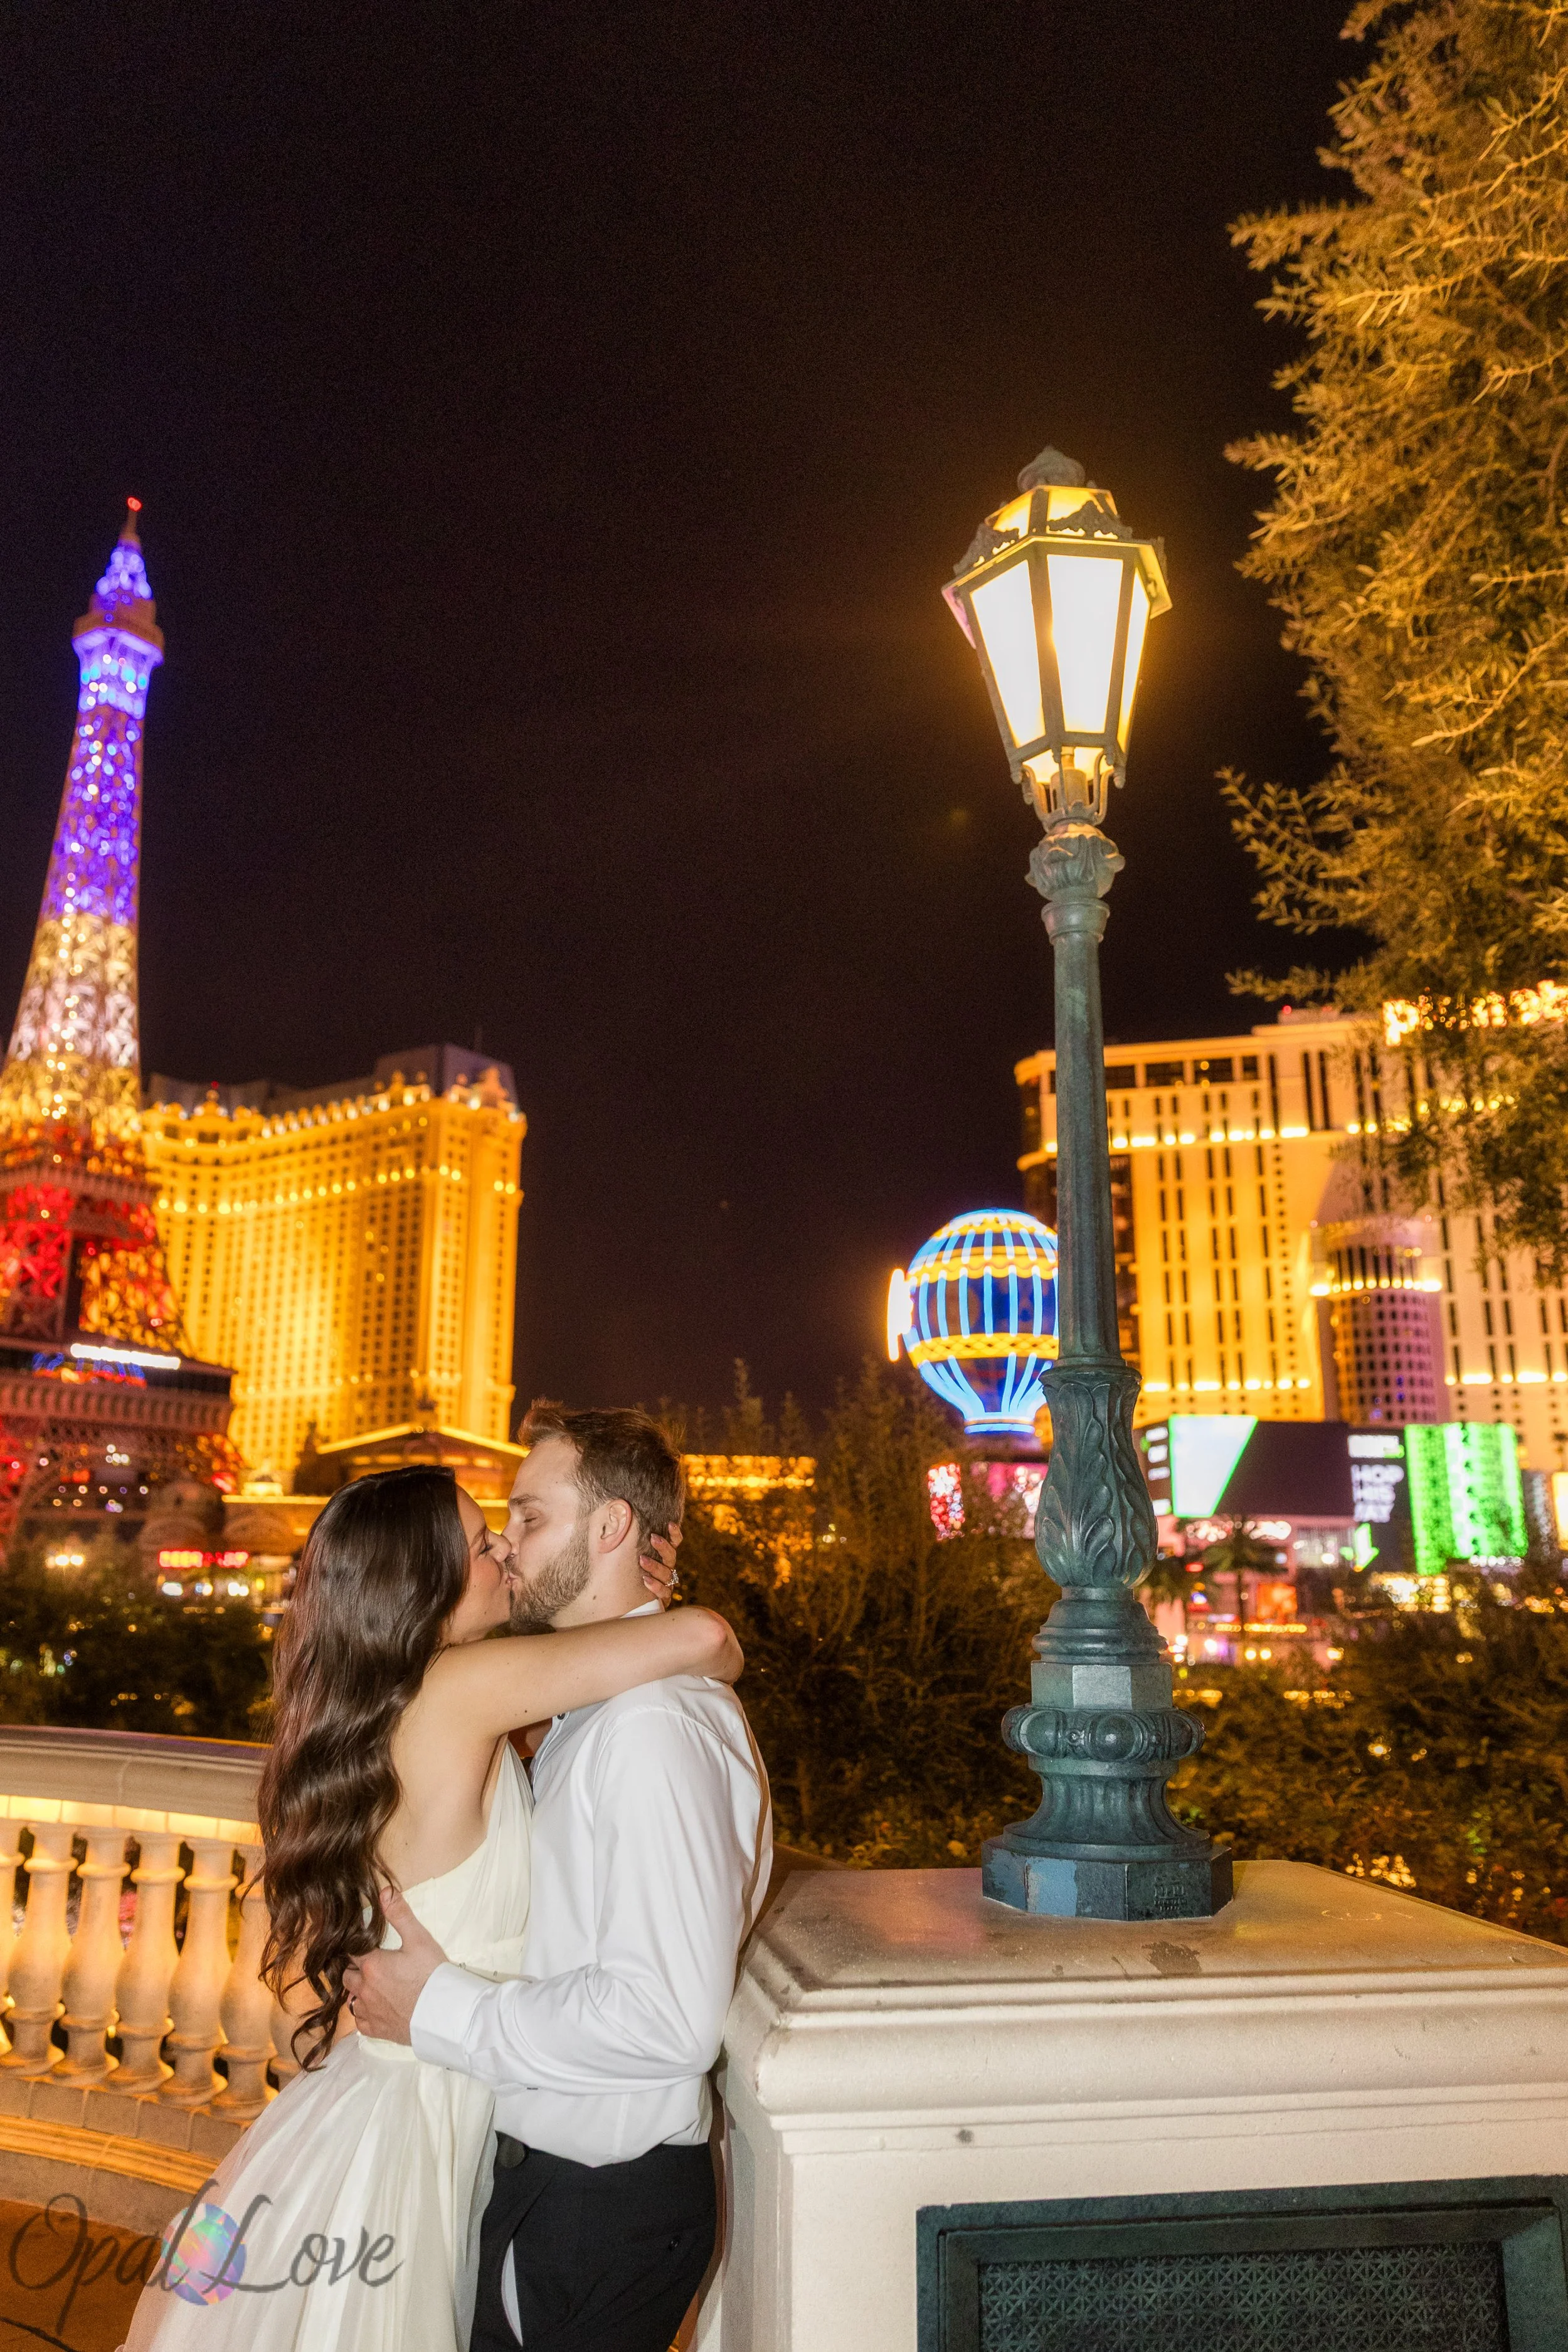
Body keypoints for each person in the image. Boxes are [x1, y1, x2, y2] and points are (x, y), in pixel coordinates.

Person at [119, 1459, 733, 2352]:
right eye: (484, 1543)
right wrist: (673, 1607)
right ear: (426, 1581)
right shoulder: (460, 1689)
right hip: (429, 2113)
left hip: (376, 2099)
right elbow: (706, 1637)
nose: (506, 1553)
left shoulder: (390, 1705)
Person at [345, 1401, 772, 2352]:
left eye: (531, 1517)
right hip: (556, 2185)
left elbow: (664, 2014)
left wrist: (439, 2009)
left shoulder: (650, 1731)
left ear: (612, 1527)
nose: (509, 1545)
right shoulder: (589, 1710)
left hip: (593, 2201)